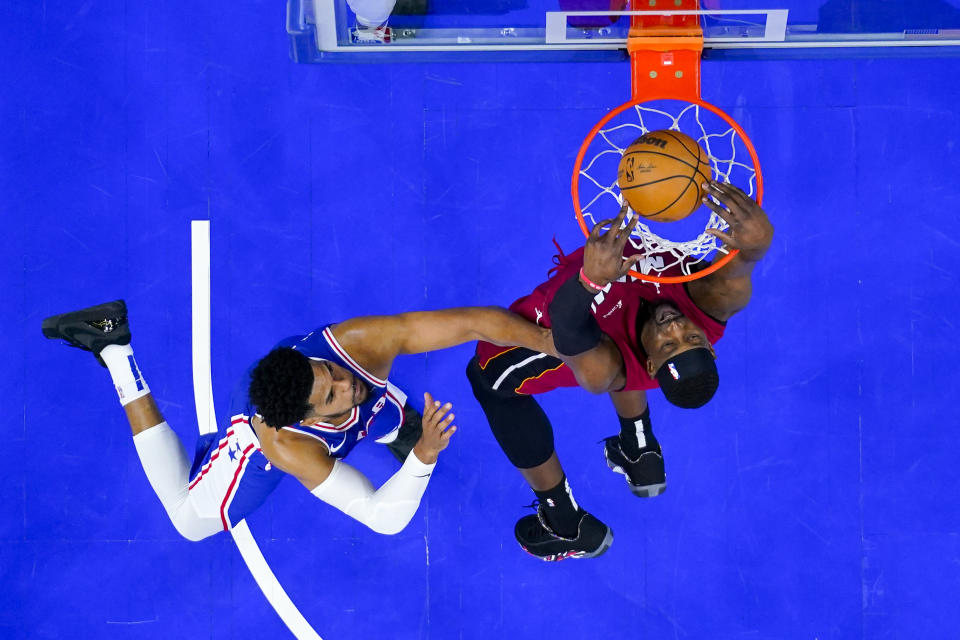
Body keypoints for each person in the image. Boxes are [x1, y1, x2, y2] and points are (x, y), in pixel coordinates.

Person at [42, 302, 555, 541]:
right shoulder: (288, 448)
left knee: (383, 413)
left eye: (330, 372)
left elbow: (475, 321)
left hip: (323, 406)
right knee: (191, 520)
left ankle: (114, 346)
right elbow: (382, 518)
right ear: (307, 419)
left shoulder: (357, 344)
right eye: (331, 394)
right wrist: (422, 459)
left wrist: (556, 346)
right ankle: (113, 348)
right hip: (251, 452)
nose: (343, 383)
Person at [466, 181, 774, 560]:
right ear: (709, 343)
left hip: (562, 334)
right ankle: (639, 447)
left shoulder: (602, 369)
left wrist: (591, 281)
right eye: (690, 338)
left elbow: (568, 329)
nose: (675, 327)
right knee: (631, 318)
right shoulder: (716, 303)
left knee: (489, 383)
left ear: (651, 362)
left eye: (668, 345)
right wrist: (758, 240)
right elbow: (745, 259)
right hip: (617, 328)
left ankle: (563, 519)